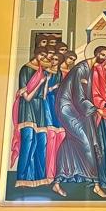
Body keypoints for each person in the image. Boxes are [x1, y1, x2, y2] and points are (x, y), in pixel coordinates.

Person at [52, 46, 106, 198]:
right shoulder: (81, 69)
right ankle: (96, 184)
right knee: (88, 143)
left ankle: (57, 182)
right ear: (97, 53)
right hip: (68, 109)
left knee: (70, 143)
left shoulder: (89, 69)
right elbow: (79, 96)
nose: (105, 58)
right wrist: (96, 109)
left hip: (78, 108)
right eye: (103, 55)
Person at [9, 48, 49, 188]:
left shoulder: (42, 72)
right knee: (29, 140)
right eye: (42, 55)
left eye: (46, 56)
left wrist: (46, 81)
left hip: (39, 109)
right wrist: (40, 82)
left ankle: (40, 178)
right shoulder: (25, 69)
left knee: (42, 142)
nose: (44, 58)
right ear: (36, 54)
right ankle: (22, 178)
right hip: (27, 109)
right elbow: (26, 97)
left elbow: (43, 96)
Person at [42, 53, 64, 183]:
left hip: (57, 104)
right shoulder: (46, 72)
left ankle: (57, 173)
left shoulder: (59, 73)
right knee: (50, 137)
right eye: (52, 59)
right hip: (48, 103)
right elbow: (44, 94)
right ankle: (49, 174)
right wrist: (52, 86)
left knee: (59, 138)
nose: (54, 61)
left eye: (56, 59)